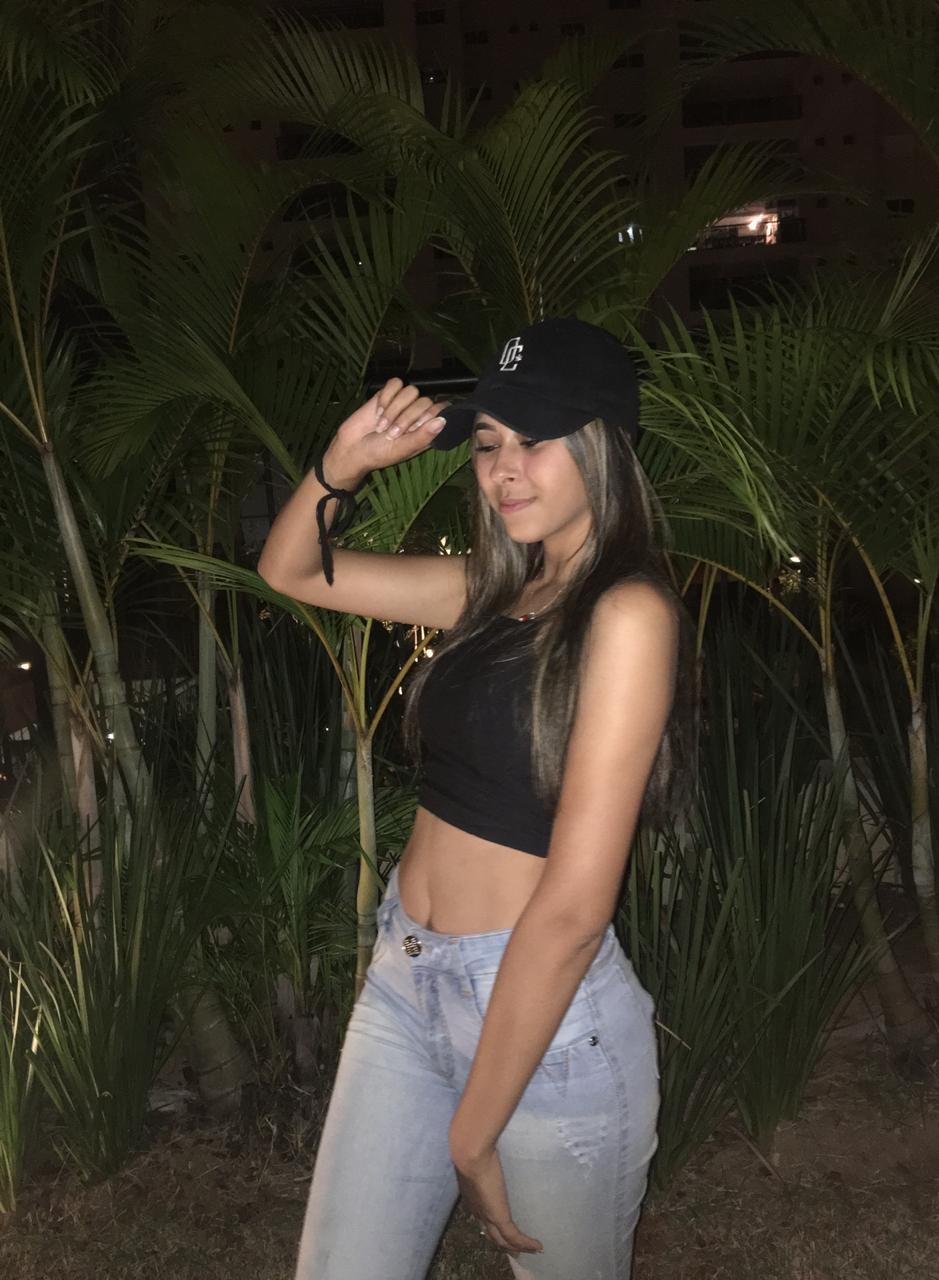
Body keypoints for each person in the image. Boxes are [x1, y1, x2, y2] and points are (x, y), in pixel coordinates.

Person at [258, 317, 698, 1280]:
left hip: (548, 1019)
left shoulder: (626, 615)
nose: (505, 470)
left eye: (536, 440)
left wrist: (474, 1134)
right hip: (403, 977)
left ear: (604, 446)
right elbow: (289, 571)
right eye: (490, 442)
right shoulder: (489, 593)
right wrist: (343, 463)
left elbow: (574, 910)